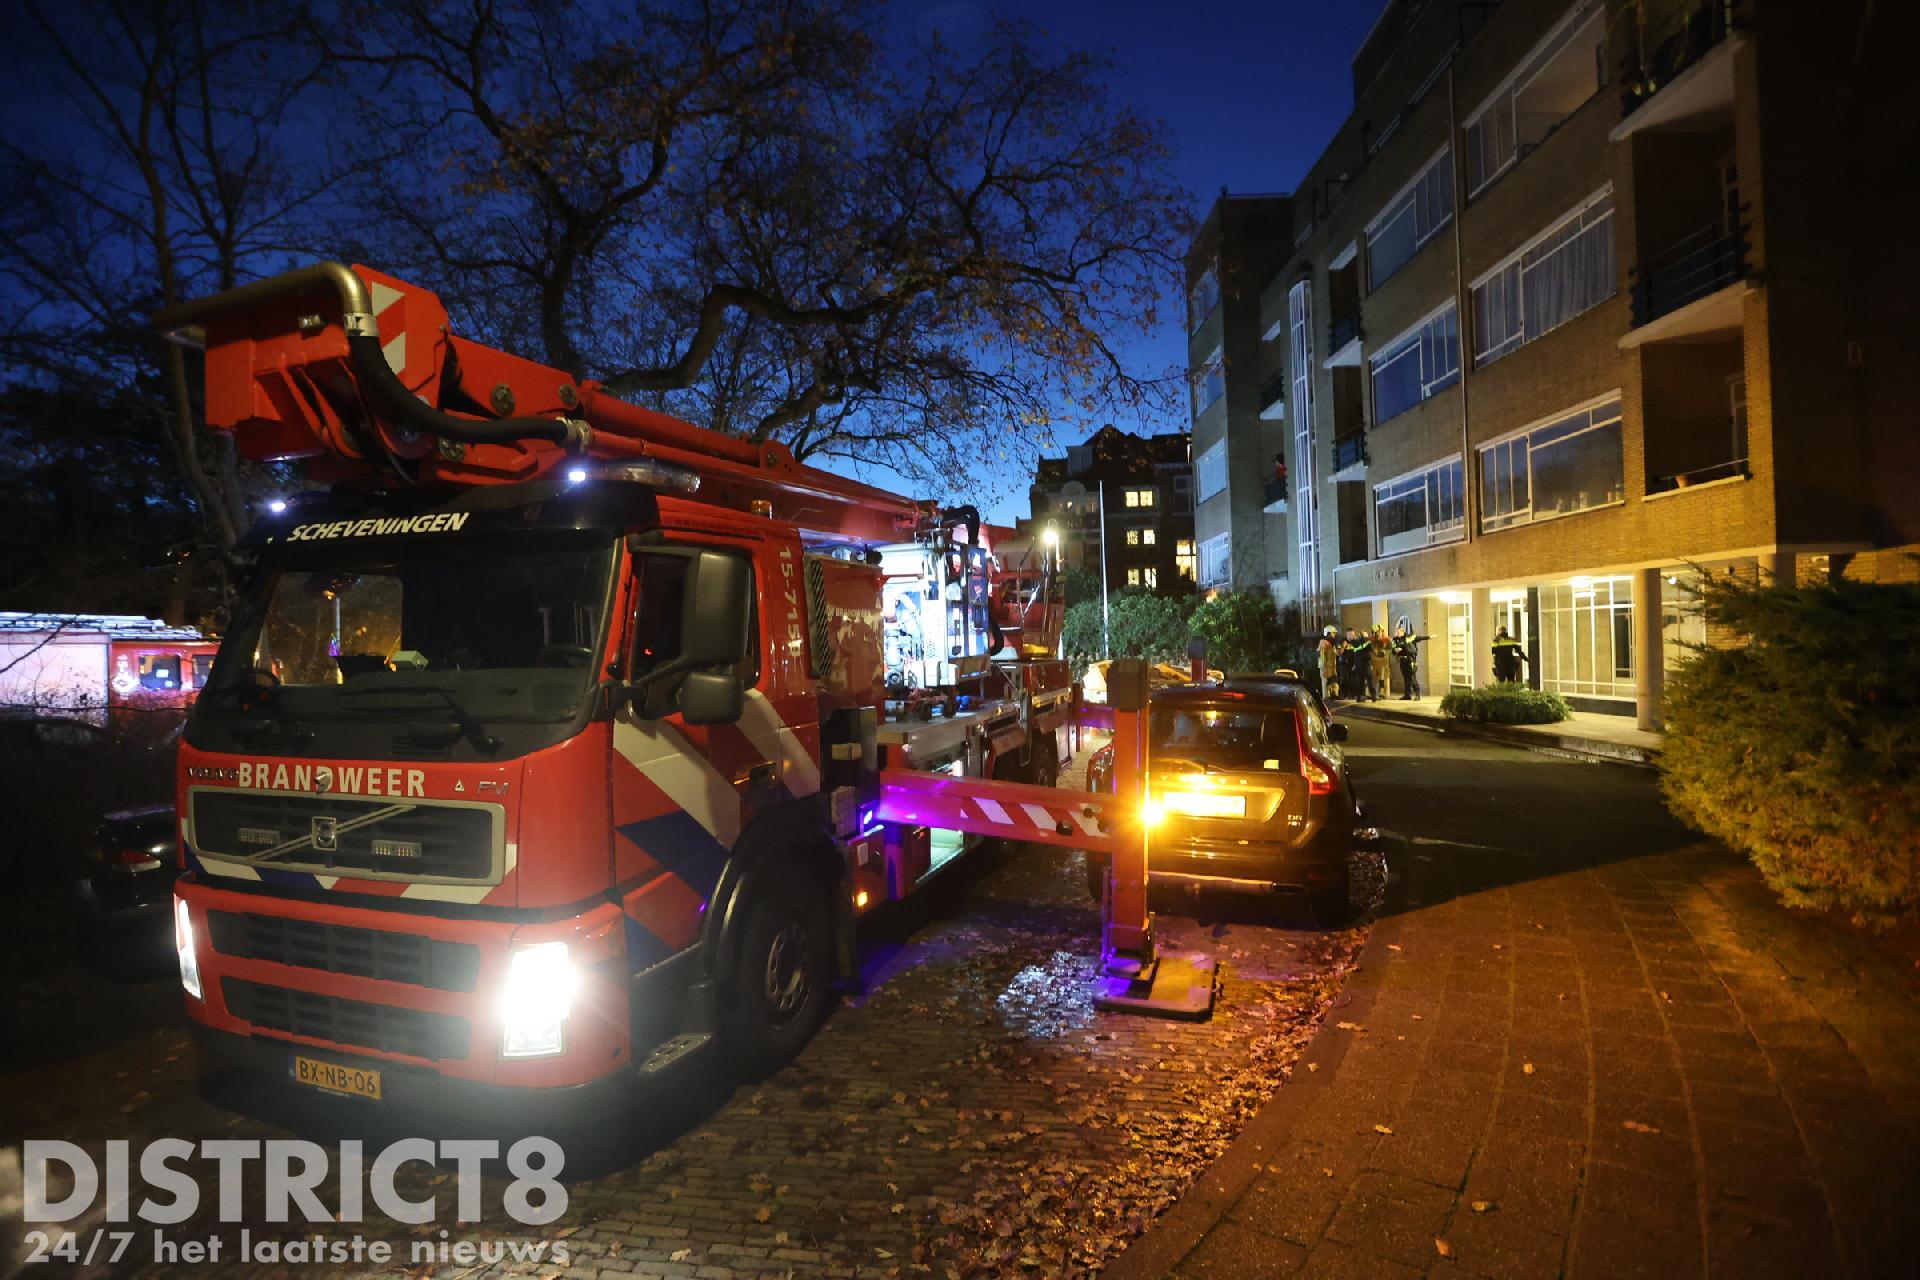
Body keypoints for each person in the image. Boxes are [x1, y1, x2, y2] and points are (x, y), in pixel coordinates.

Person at [1392, 622, 1429, 699]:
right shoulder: (1395, 640)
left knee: (1412, 677)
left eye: (1398, 632)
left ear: (1402, 632)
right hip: (1402, 660)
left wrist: (1428, 637)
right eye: (1396, 632)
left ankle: (1417, 694)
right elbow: (1393, 650)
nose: (1396, 633)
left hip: (1410, 660)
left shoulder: (1409, 637)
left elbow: (1419, 638)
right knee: (1406, 678)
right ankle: (1407, 695)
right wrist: (1395, 650)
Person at [1341, 627, 1369, 701]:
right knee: (1344, 679)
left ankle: (1354, 695)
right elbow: (1339, 653)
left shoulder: (1356, 642)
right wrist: (1343, 646)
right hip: (1344, 664)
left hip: (1354, 664)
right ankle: (1345, 695)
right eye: (1351, 635)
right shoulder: (1343, 641)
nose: (1353, 636)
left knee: (1354, 680)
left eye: (1353, 635)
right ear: (1347, 634)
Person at [1367, 625, 1392, 701]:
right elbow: (1370, 651)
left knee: (1382, 679)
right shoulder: (1371, 640)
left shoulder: (1387, 640)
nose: (1377, 634)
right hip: (1374, 663)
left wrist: (1382, 653)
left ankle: (1382, 693)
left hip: (1383, 663)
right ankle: (1371, 694)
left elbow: (1388, 652)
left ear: (1382, 631)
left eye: (1378, 632)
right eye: (1375, 632)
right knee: (1373, 679)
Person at [1316, 625, 1340, 699]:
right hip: (1325, 666)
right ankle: (1326, 698)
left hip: (1332, 666)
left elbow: (1337, 654)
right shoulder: (1323, 642)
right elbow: (1320, 654)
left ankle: (1334, 695)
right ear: (1328, 633)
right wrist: (1324, 666)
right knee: (1325, 682)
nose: (1334, 635)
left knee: (1333, 681)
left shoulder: (1333, 643)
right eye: (1333, 633)